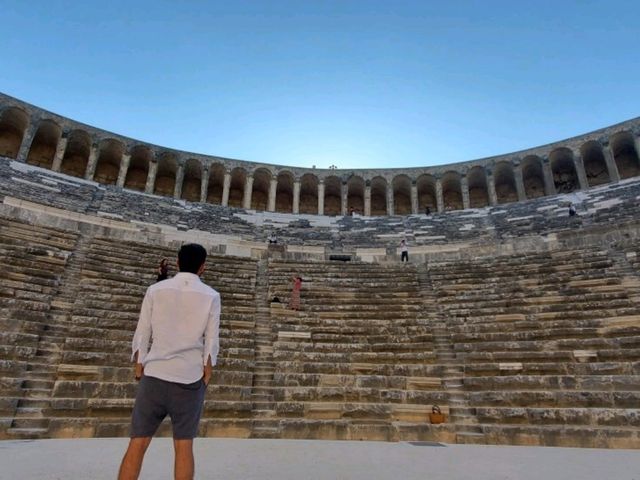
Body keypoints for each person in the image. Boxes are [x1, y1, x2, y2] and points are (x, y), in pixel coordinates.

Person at [118, 243, 221, 480]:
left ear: (177, 262)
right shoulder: (211, 296)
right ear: (203, 267)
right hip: (189, 378)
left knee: (138, 443)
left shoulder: (156, 290)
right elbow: (211, 339)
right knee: (184, 447)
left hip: (154, 374)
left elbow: (143, 330)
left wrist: (139, 362)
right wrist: (208, 370)